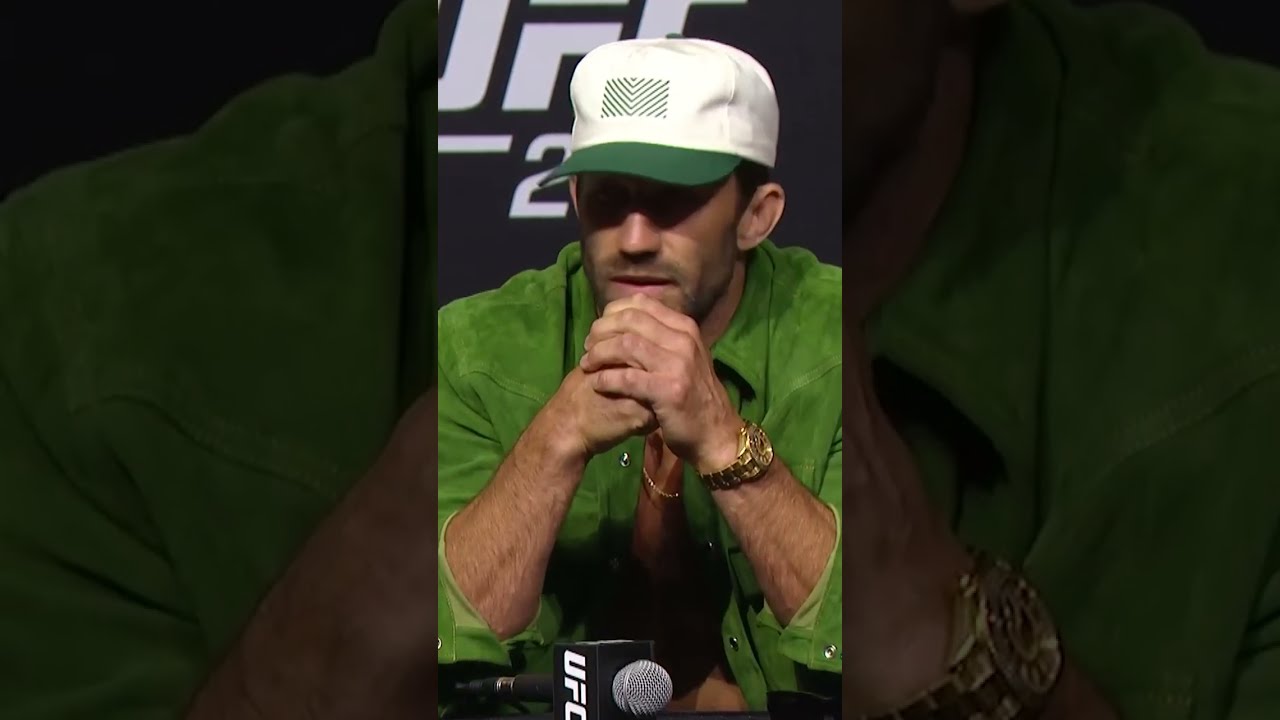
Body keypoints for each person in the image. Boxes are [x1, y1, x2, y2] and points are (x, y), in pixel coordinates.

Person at [1, 0, 1278, 718]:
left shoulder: (1238, 266)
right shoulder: (88, 320)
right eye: (609, 196)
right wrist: (345, 639)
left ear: (760, 212)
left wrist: (930, 634)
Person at [435, 35, 841, 715]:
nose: (633, 240)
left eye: (673, 202)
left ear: (755, 216)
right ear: (575, 198)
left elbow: (869, 644)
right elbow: (445, 647)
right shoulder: (474, 348)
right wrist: (556, 439)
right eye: (608, 199)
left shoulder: (840, 340)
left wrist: (725, 445)